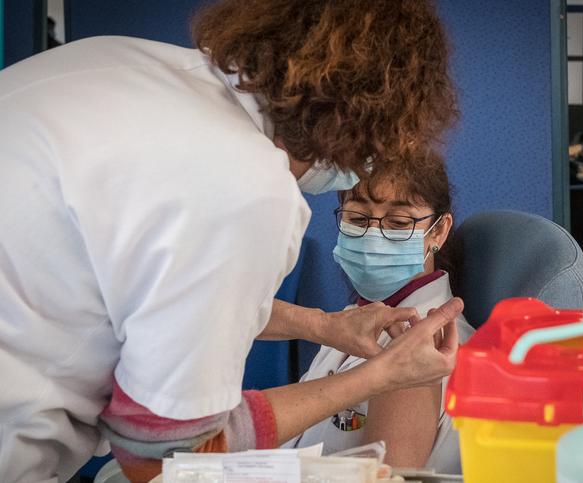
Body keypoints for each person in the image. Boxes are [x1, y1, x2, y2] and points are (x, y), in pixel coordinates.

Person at [0, 1, 461, 481]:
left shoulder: (118, 61)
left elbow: (162, 293)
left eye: (398, 220)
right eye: (360, 213)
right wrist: (377, 377)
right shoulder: (243, 186)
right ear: (369, 117)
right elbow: (162, 457)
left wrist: (323, 326)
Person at [284, 153, 474, 474]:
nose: (373, 238)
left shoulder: (425, 348)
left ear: (439, 231)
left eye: (398, 223)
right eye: (358, 219)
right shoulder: (354, 319)